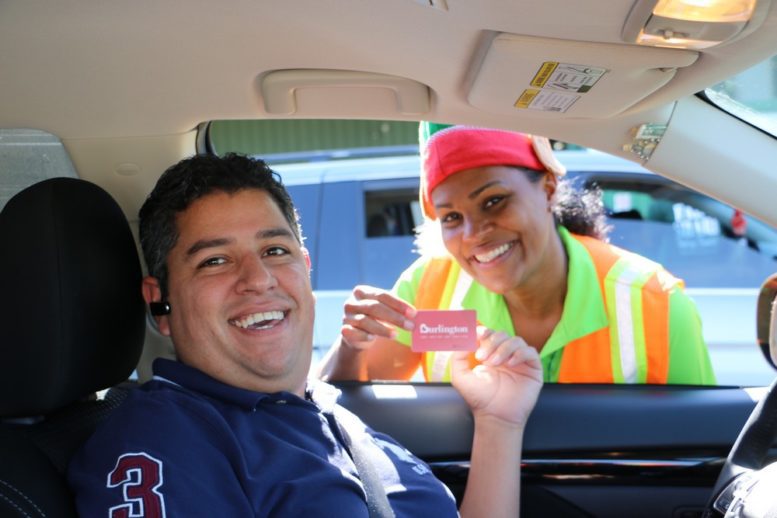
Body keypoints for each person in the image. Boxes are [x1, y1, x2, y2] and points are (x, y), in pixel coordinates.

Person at [66, 153, 543, 517]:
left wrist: (500, 423)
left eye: (275, 250)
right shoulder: (162, 443)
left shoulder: (331, 415)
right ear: (160, 302)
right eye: (215, 260)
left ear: (305, 267)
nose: (258, 279)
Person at [317, 123, 716, 384]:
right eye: (451, 217)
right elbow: (345, 405)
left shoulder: (655, 301)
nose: (473, 234)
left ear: (548, 189)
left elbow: (701, 450)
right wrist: (352, 344)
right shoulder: (429, 287)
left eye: (493, 201)